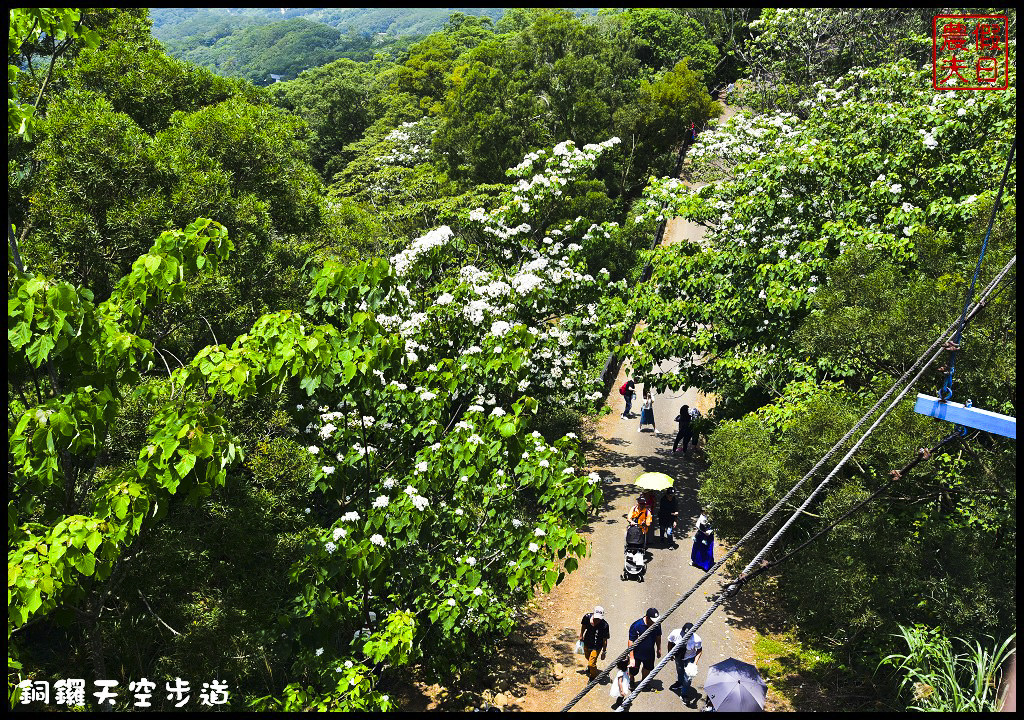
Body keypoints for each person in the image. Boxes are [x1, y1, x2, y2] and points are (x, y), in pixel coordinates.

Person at [667, 622, 703, 702]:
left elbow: (699, 650)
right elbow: (670, 642)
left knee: (687, 678)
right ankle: (679, 683)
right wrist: (670, 654)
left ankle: (684, 694)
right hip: (678, 656)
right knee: (680, 670)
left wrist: (694, 663)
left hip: (689, 658)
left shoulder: (696, 640)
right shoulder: (675, 633)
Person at [627, 608, 662, 687]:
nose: (654, 622)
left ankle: (644, 682)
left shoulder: (657, 624)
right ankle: (631, 680)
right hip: (637, 653)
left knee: (648, 668)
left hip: (649, 652)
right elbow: (631, 641)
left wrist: (658, 648)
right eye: (653, 620)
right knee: (633, 671)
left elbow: (658, 636)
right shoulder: (636, 625)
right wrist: (631, 658)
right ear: (647, 617)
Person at [579, 606, 610, 681]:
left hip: (597, 646)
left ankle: (593, 676)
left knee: (591, 663)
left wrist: (604, 652)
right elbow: (583, 626)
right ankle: (591, 668)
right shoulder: (587, 617)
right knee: (587, 657)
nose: (597, 620)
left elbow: (604, 640)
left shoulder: (604, 625)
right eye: (596, 618)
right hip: (587, 642)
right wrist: (581, 635)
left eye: (599, 619)